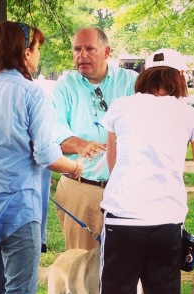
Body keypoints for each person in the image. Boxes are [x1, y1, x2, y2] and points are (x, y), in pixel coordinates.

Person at [99, 48, 194, 294]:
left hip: (122, 221)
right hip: (166, 224)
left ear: (146, 76)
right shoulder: (190, 113)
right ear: (180, 76)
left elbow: (114, 167)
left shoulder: (121, 107)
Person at [0, 21, 83, 294]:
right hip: (18, 205)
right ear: (25, 53)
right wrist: (75, 167)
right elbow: (46, 154)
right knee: (20, 292)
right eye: (37, 48)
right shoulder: (32, 93)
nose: (39, 54)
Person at [52, 27, 139, 250]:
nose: (82, 55)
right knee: (82, 265)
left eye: (89, 48)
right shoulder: (64, 86)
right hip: (80, 188)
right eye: (77, 49)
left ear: (106, 51)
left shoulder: (131, 82)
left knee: (128, 261)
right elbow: (53, 128)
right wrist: (78, 144)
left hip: (125, 189)